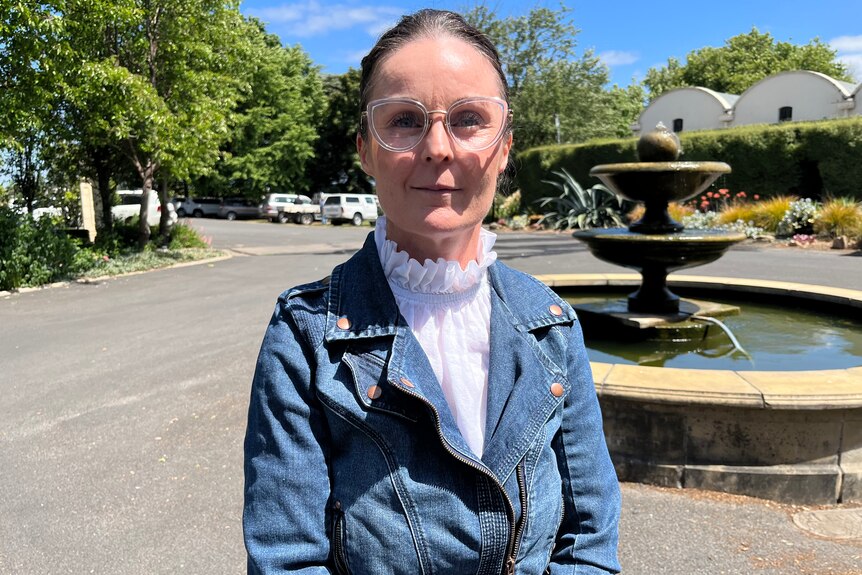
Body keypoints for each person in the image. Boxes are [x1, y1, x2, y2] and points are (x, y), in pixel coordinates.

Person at [243, 8, 621, 575]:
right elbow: (288, 561)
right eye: (403, 120)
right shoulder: (305, 335)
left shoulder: (552, 324)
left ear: (505, 146)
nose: (438, 148)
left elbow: (588, 542)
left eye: (468, 118)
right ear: (365, 150)